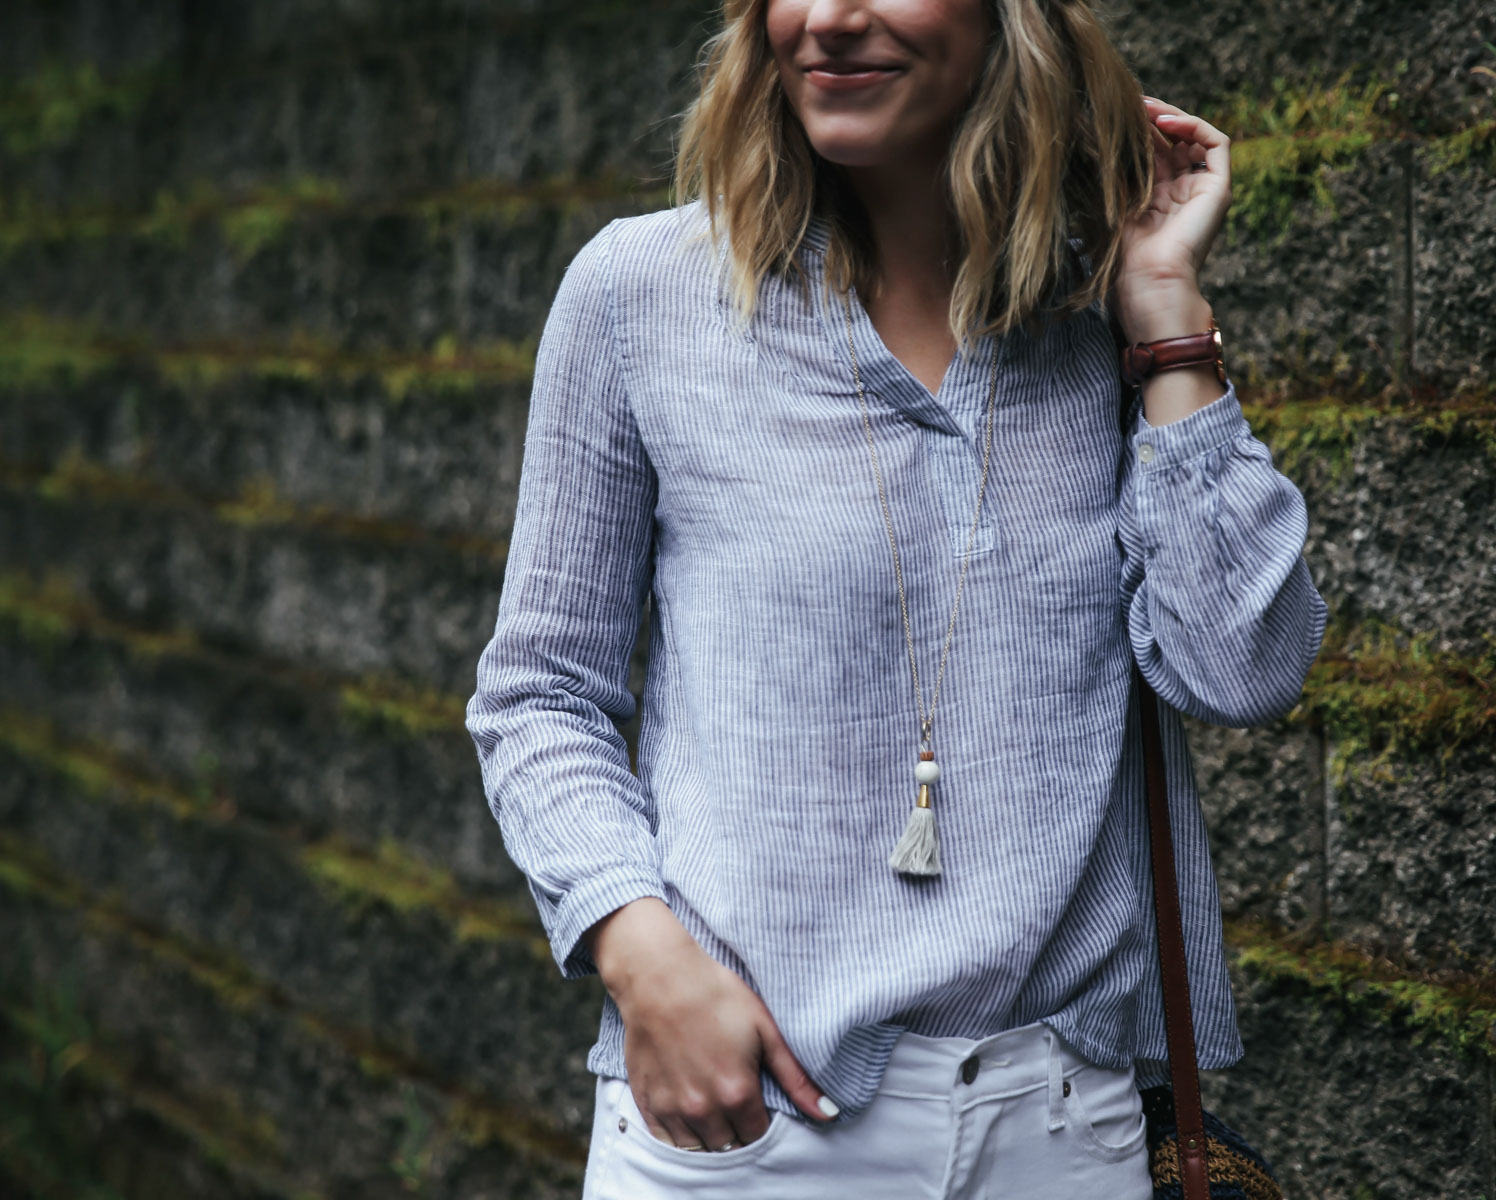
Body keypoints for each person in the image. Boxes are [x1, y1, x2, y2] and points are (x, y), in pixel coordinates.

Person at [464, 0, 1327, 1196]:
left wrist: (1169, 312)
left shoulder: (1097, 319)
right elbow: (538, 693)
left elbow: (1241, 667)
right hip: (750, 1132)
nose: (830, 18)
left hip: (1064, 1132)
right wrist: (642, 955)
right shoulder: (640, 296)